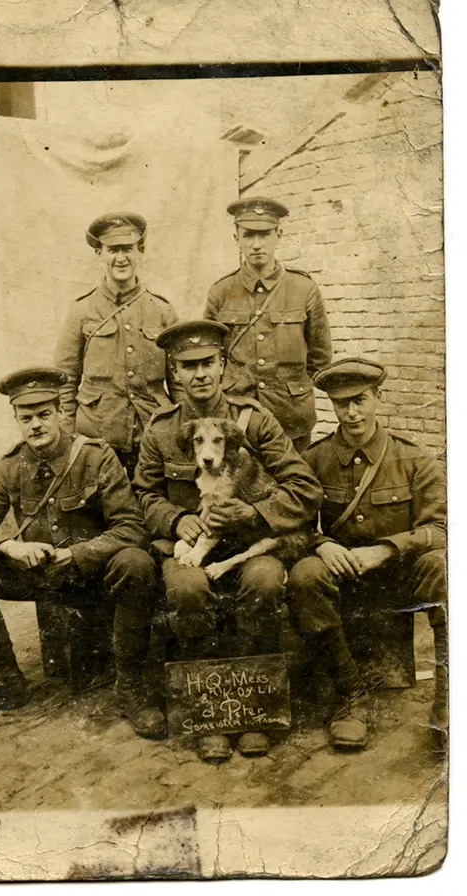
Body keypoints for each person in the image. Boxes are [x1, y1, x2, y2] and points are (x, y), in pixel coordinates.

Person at [133, 321, 322, 763]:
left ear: (221, 366)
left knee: (262, 580)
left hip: (252, 541)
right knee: (186, 588)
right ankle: (213, 713)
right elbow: (143, 494)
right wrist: (177, 519)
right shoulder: (161, 430)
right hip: (191, 543)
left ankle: (255, 708)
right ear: (173, 372)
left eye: (207, 363)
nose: (198, 374)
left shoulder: (253, 419)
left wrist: (255, 513)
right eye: (187, 365)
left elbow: (304, 485)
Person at [0, 367, 166, 739]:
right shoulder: (9, 468)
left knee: (135, 562)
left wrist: (79, 554)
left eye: (44, 414)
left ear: (61, 412)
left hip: (89, 574)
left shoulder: (96, 457)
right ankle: (4, 681)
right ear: (15, 419)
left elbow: (131, 526)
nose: (36, 425)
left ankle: (131, 686)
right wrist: (9, 546)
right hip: (40, 577)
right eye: (26, 417)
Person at [285, 358, 447, 752]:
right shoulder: (314, 459)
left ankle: (448, 701)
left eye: (359, 400)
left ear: (378, 397)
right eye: (342, 404)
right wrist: (321, 544)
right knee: (306, 573)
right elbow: (291, 525)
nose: (352, 413)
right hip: (345, 577)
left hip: (399, 575)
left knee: (443, 567)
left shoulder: (412, 458)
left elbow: (442, 528)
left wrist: (388, 548)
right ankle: (351, 696)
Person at [54, 212, 178, 477]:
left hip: (152, 431)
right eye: (112, 250)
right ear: (99, 254)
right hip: (97, 435)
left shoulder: (162, 311)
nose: (120, 258)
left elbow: (178, 382)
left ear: (140, 251)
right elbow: (65, 381)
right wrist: (66, 435)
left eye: (128, 249)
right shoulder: (82, 310)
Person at [204, 197, 332, 451]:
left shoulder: (304, 288)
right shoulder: (220, 291)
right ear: (236, 238)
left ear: (279, 235)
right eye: (249, 235)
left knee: (295, 484)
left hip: (291, 417)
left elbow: (320, 358)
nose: (257, 245)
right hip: (237, 414)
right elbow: (210, 355)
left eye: (265, 235)